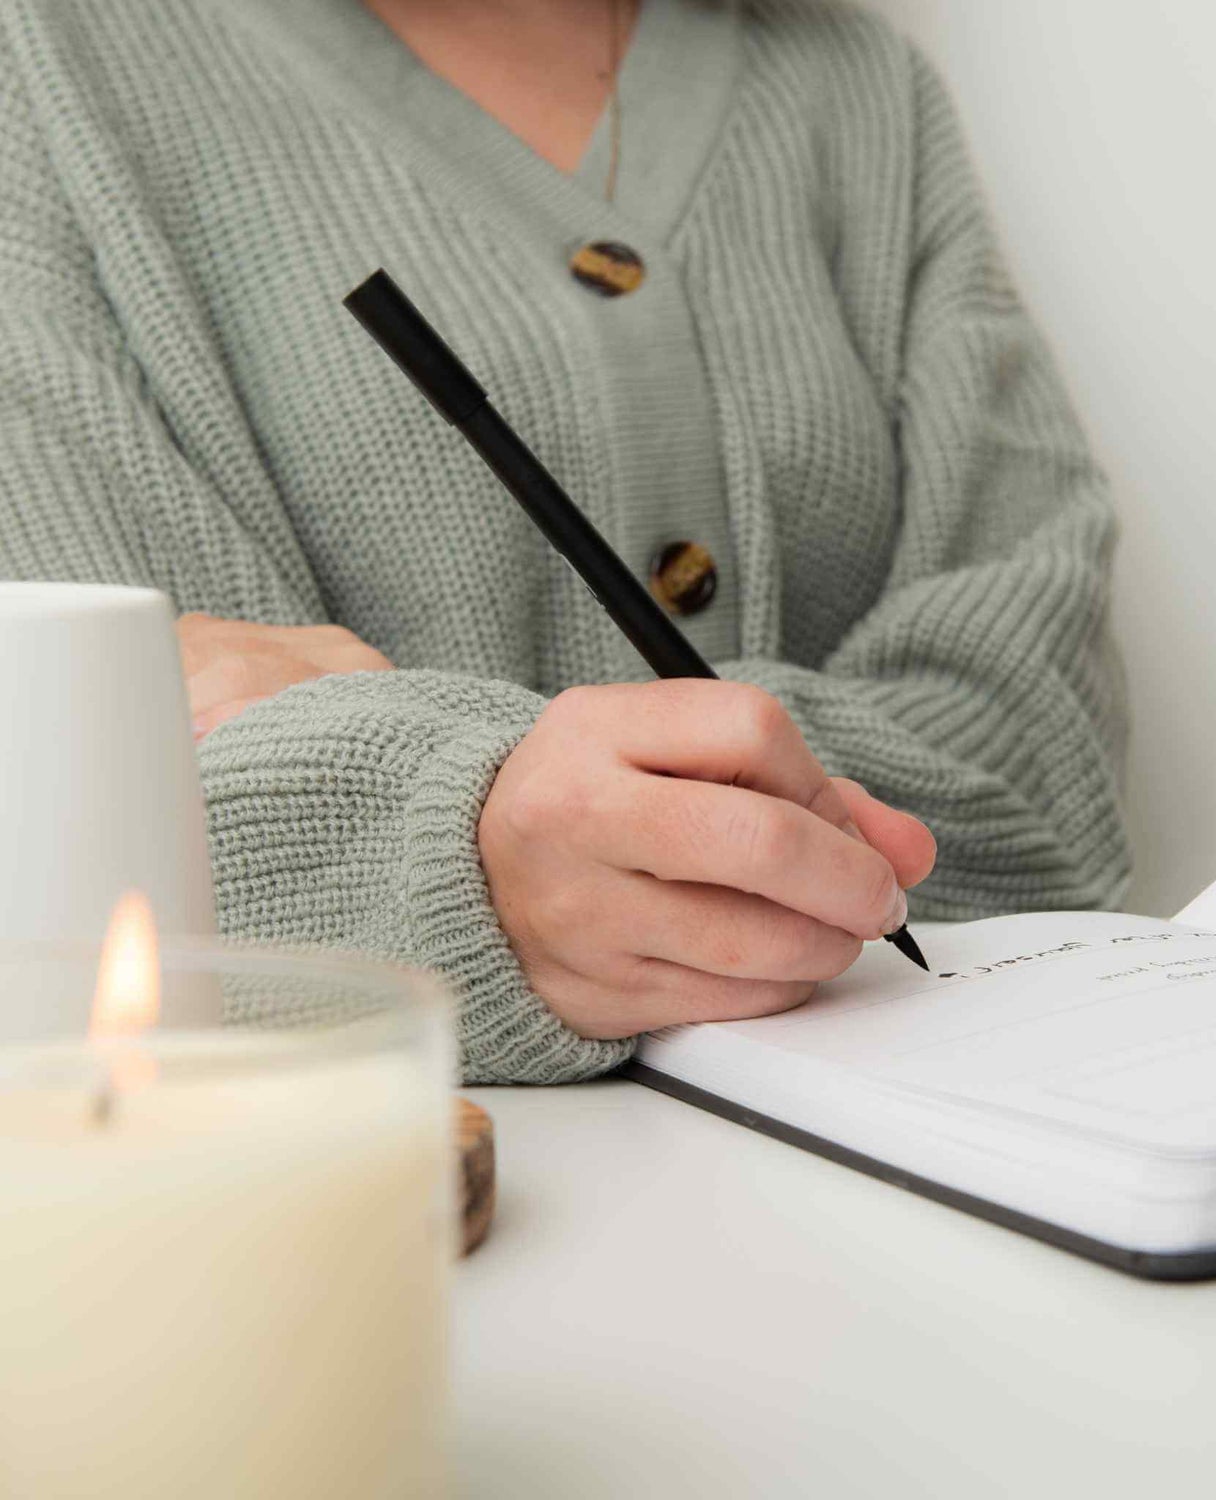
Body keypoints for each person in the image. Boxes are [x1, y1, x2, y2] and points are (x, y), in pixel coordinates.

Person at [0, 0, 1130, 1083]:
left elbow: (1035, 761)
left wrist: (444, 783)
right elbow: (81, 831)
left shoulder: (855, 91)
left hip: (929, 1175)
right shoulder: (42, 77)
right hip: (409, 1212)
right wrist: (471, 863)